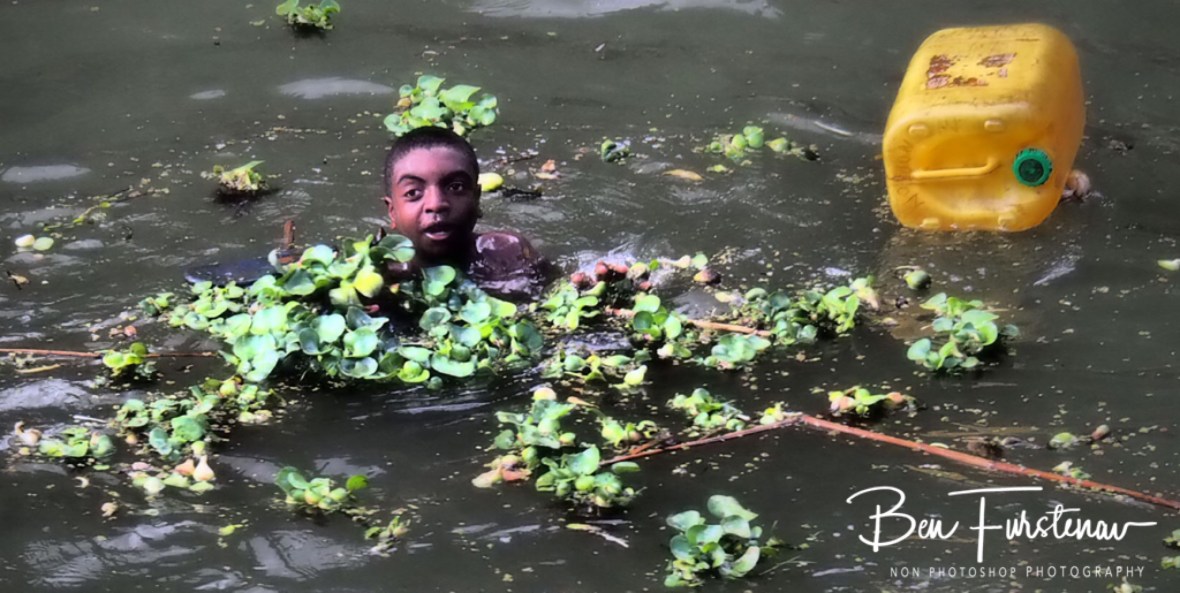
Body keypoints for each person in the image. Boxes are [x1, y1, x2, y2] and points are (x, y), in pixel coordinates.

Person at [381, 126, 550, 301]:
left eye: (456, 187)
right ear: (392, 211)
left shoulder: (509, 254)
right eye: (413, 193)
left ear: (476, 199)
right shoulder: (378, 276)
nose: (436, 204)